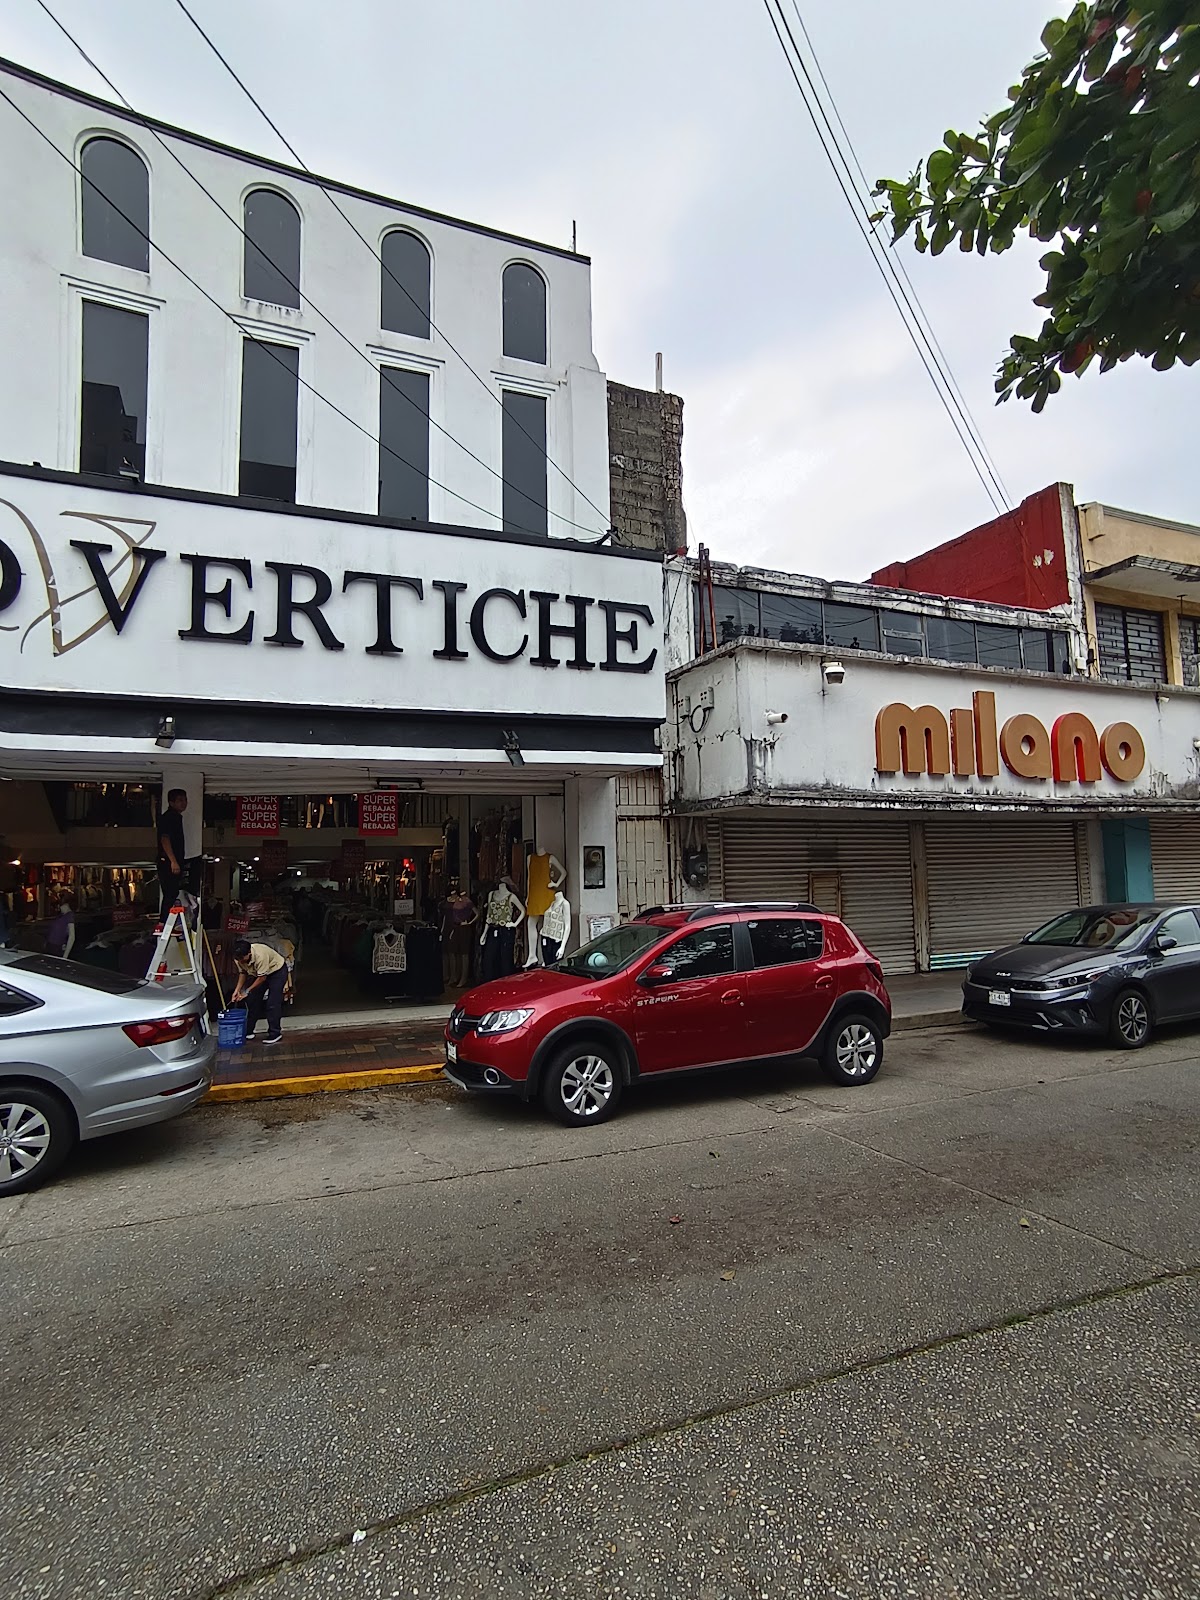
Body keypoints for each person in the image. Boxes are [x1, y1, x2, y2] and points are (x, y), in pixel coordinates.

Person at [231, 939, 286, 1045]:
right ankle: (249, 1031)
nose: (240, 961)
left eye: (242, 958)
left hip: (277, 972)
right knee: (253, 1000)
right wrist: (237, 990)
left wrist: (247, 991)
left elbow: (262, 978)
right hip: (259, 975)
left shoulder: (260, 955)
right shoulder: (238, 958)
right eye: (238, 959)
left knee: (272, 1003)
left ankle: (275, 1033)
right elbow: (243, 973)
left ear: (249, 953)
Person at [156, 789, 188, 915]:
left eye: (185, 800)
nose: (184, 803)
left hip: (171, 860)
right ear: (171, 802)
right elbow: (165, 839)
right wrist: (173, 861)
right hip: (168, 860)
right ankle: (163, 921)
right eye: (180, 800)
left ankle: (165, 920)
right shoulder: (169, 817)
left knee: (172, 892)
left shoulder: (175, 817)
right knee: (171, 892)